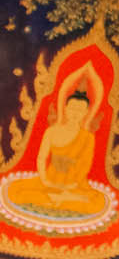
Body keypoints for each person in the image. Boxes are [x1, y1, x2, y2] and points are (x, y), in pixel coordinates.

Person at [8, 66, 108, 218]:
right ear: (65, 108)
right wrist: (45, 179)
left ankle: (62, 199)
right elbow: (41, 158)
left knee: (98, 202)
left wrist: (71, 186)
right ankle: (60, 200)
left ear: (86, 113)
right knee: (14, 191)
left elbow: (84, 166)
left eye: (80, 110)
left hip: (74, 185)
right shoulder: (52, 131)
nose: (75, 113)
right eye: (73, 108)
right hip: (49, 181)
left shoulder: (87, 137)